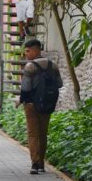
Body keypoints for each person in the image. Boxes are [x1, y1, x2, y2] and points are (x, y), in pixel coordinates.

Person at [16, 39, 63, 174]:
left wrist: (20, 101)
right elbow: (59, 84)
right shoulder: (52, 65)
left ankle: (35, 164)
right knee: (43, 134)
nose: (26, 54)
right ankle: (42, 163)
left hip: (31, 105)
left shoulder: (30, 66)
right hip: (47, 104)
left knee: (33, 134)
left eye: (28, 51)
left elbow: (25, 88)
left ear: (36, 50)